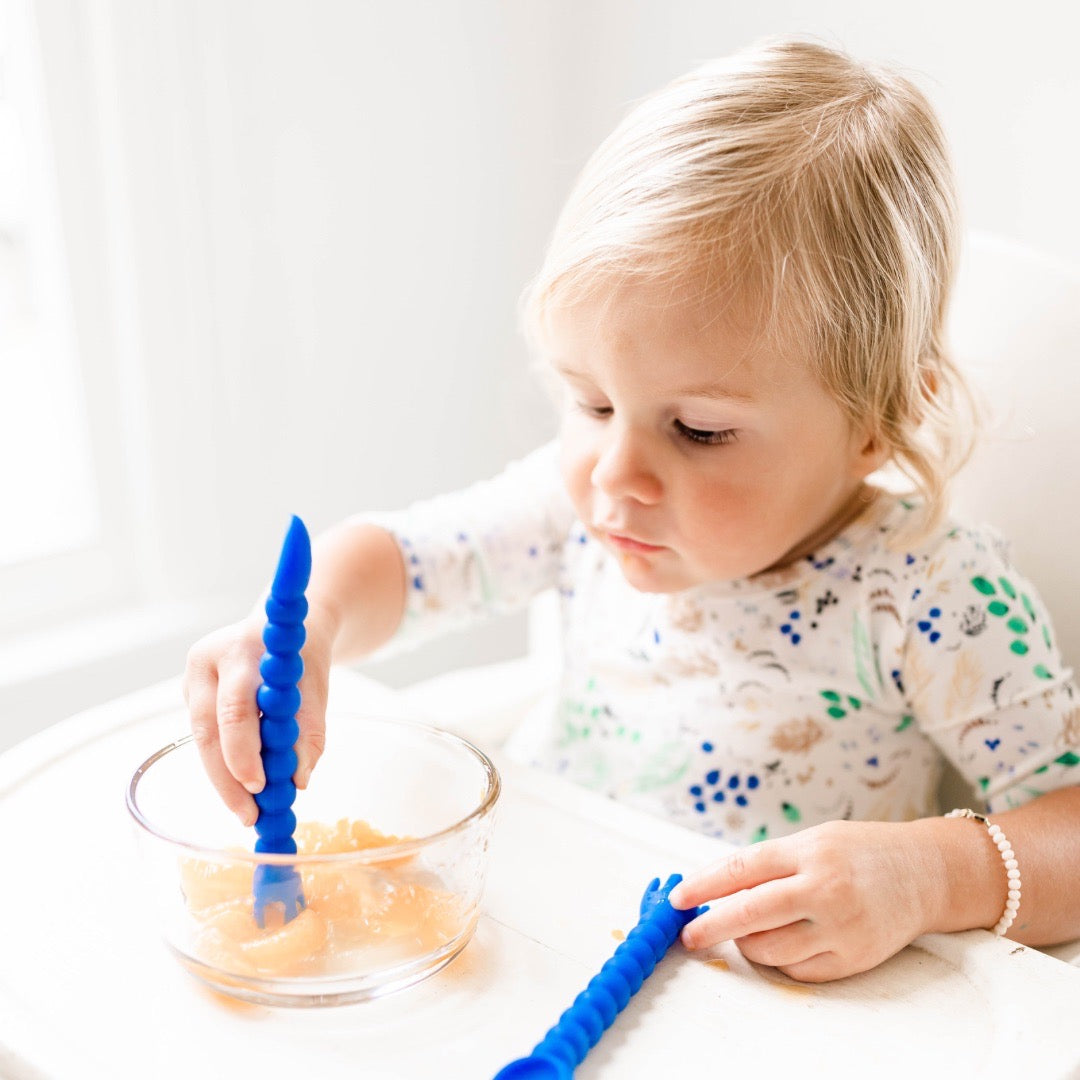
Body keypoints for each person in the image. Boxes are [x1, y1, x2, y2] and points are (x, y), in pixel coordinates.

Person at [184, 37, 1080, 983]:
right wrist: (304, 624)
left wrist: (933, 875)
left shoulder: (932, 595)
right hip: (543, 944)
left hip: (757, 1008)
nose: (616, 472)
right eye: (592, 402)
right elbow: (401, 562)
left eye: (696, 430)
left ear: (878, 421)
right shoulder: (578, 509)